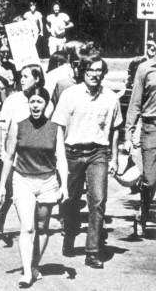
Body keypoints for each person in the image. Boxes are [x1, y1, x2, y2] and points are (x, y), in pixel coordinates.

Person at [52, 54, 122, 269]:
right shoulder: (69, 95)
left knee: (98, 200)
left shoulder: (110, 98)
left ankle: (92, 251)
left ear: (103, 73)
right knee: (70, 201)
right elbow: (59, 128)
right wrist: (59, 156)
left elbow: (115, 128)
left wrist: (115, 157)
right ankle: (70, 234)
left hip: (97, 153)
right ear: (83, 71)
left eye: (99, 71)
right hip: (72, 152)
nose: (94, 75)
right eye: (90, 70)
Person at [0, 86, 68, 288]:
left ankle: (34, 265)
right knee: (27, 227)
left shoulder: (55, 128)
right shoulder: (18, 125)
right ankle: (27, 272)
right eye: (32, 101)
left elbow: (61, 159)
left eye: (40, 101)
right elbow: (9, 157)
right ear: (28, 104)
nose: (35, 105)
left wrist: (64, 186)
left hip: (47, 182)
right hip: (23, 180)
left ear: (46, 104)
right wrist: (2, 185)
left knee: (43, 227)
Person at [125, 41, 156, 237]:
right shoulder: (145, 69)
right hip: (151, 127)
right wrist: (129, 133)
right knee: (150, 180)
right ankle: (143, 213)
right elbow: (135, 102)